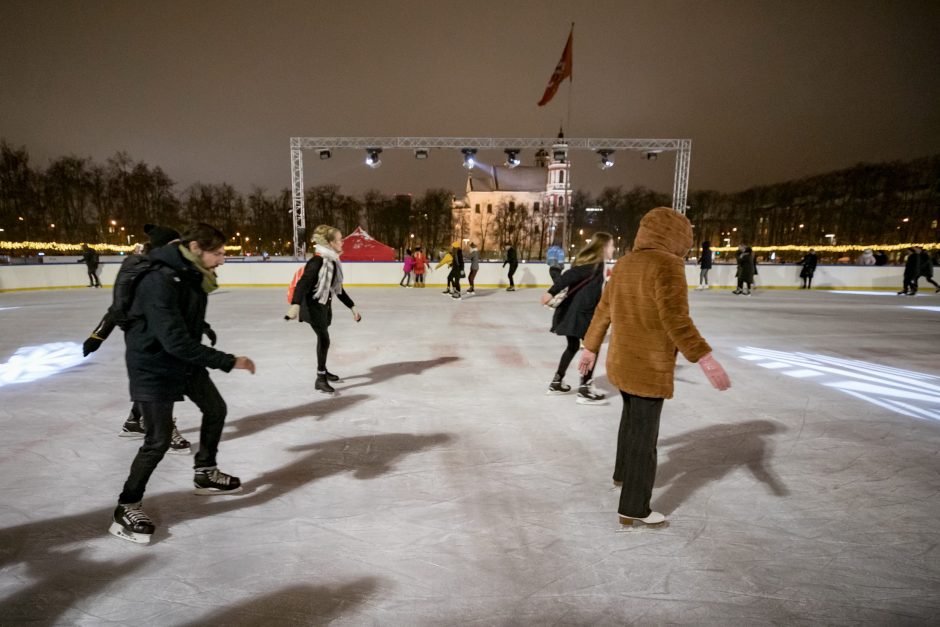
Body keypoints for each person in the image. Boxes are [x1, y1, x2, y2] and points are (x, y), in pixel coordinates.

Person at [578, 207, 731, 527]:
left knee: (630, 420)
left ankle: (622, 474)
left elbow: (603, 310)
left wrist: (590, 348)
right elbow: (676, 319)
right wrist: (704, 357)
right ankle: (634, 507)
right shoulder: (668, 265)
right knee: (645, 438)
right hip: (649, 365)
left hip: (622, 359)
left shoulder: (625, 263)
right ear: (677, 237)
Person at [110, 223, 257, 544]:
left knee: (215, 409)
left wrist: (200, 324)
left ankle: (205, 472)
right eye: (217, 254)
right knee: (158, 441)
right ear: (194, 249)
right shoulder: (159, 279)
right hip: (152, 364)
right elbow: (173, 339)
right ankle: (127, 505)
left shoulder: (188, 273)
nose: (221, 260)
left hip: (181, 359)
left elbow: (180, 314)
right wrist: (229, 360)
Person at [82, 224, 196, 452]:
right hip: (145, 333)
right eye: (175, 245)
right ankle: (163, 429)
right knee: (162, 381)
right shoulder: (137, 265)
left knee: (156, 381)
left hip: (162, 329)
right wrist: (98, 335)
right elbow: (118, 305)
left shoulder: (168, 265)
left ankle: (135, 421)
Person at [286, 224, 362, 395]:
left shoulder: (332, 262)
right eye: (339, 240)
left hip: (323, 307)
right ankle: (320, 379)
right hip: (312, 307)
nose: (342, 242)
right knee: (324, 339)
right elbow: (302, 284)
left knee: (323, 340)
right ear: (329, 242)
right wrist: (295, 304)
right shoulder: (317, 261)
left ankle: (323, 370)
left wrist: (352, 307)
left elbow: (338, 289)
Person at [540, 232, 614, 404]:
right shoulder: (593, 265)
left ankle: (557, 382)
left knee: (573, 346)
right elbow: (568, 276)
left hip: (572, 313)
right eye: (611, 245)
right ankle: (585, 389)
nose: (613, 248)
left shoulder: (596, 265)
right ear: (602, 248)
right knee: (592, 348)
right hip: (582, 315)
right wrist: (550, 292)